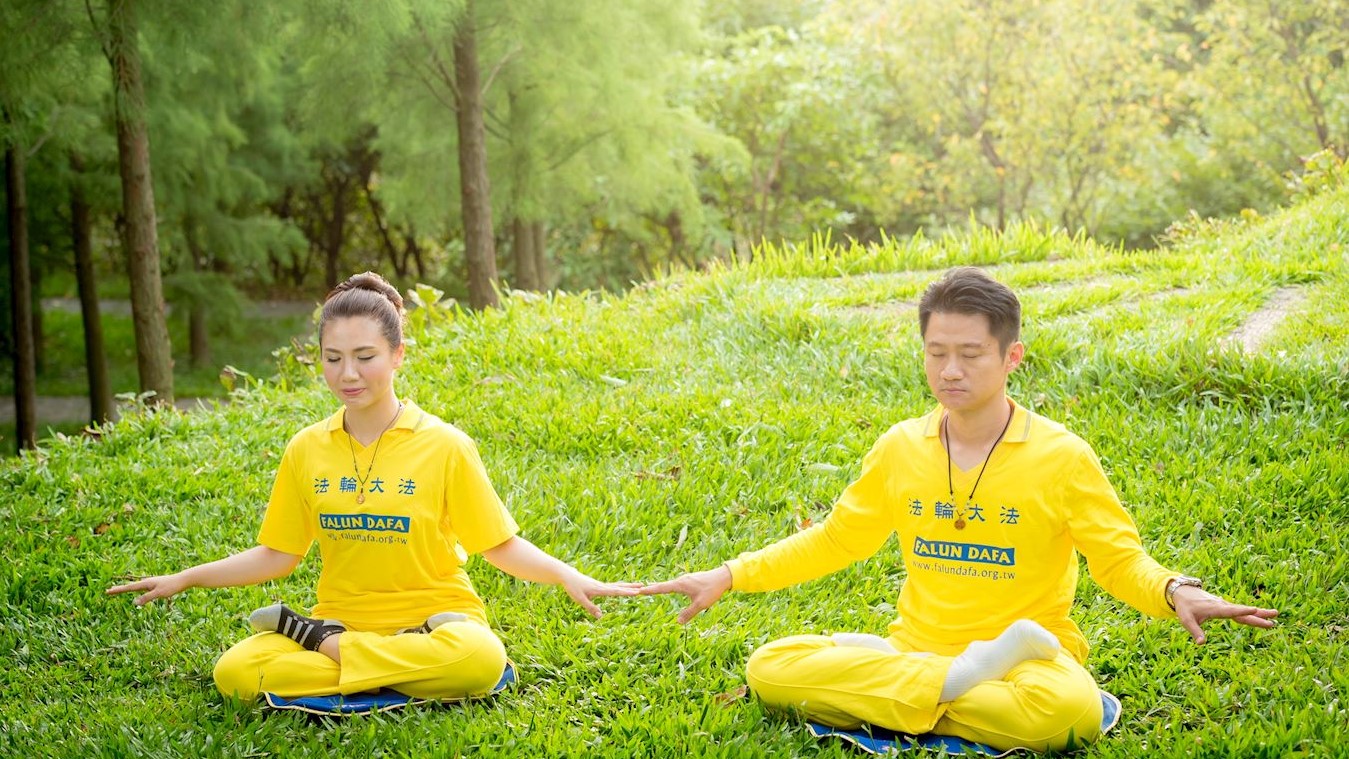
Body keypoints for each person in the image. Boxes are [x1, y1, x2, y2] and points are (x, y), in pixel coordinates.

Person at [640, 266, 1278, 752]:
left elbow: (1117, 561)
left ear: (1011, 358)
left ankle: (898, 692)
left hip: (1030, 660)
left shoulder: (1062, 456)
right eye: (936, 352)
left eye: (970, 354)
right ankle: (952, 681)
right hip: (918, 649)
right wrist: (729, 574)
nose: (950, 370)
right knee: (770, 668)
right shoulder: (899, 447)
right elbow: (836, 540)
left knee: (1068, 715)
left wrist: (1173, 590)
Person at [108, 271, 638, 703]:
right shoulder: (306, 448)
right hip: (341, 618)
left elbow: (497, 545)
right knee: (237, 673)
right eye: (333, 359)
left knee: (479, 658)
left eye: (365, 357)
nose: (348, 374)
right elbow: (277, 555)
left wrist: (568, 576)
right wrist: (186, 578)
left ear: (397, 354)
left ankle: (338, 655)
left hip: (438, 620)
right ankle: (367, 660)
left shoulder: (446, 445)